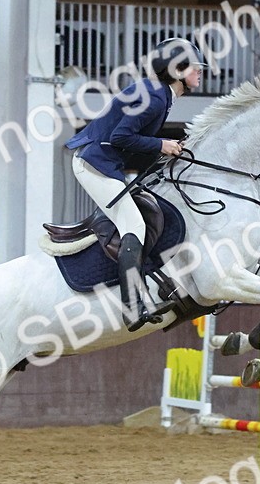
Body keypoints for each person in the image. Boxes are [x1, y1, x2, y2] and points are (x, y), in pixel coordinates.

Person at [65, 37, 207, 330]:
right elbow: (120, 137)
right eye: (194, 67)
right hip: (93, 163)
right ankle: (132, 307)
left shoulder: (160, 95)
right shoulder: (156, 97)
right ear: (178, 70)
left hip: (105, 161)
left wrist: (164, 146)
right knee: (135, 225)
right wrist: (161, 144)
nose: (199, 72)